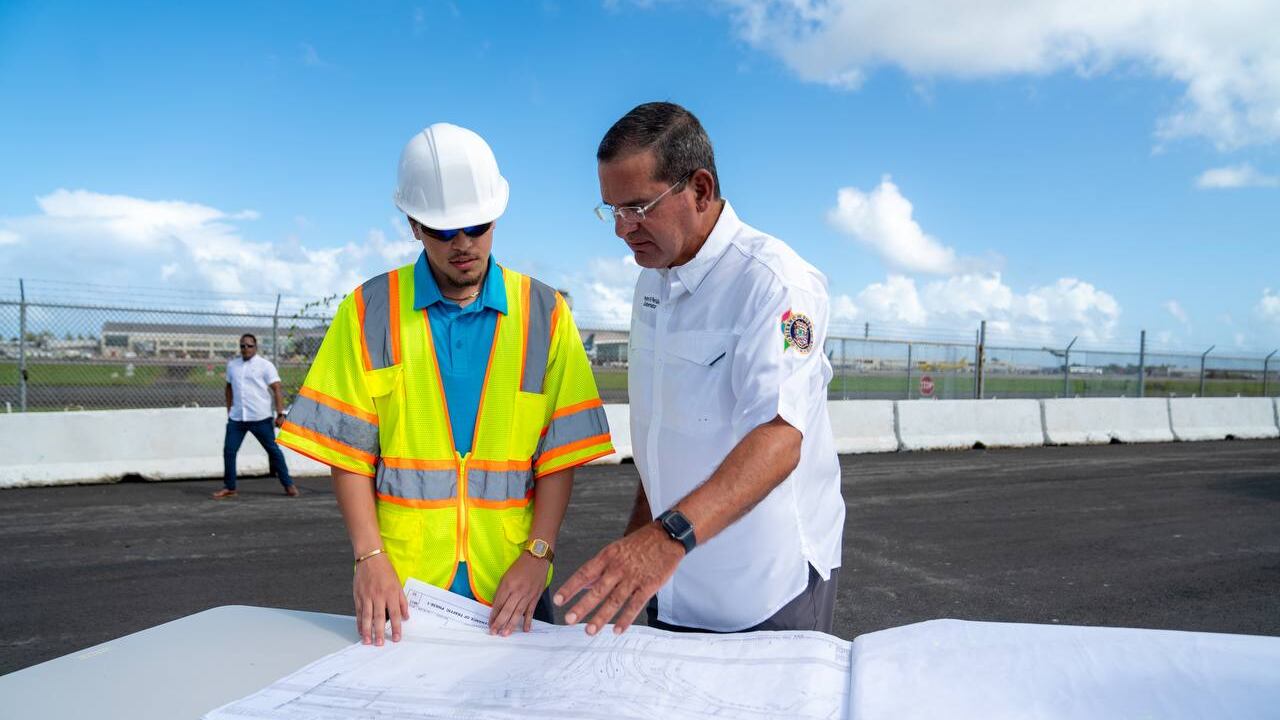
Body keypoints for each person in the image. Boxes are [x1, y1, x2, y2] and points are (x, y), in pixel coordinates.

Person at [278, 123, 612, 646]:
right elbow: (348, 454)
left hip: (512, 581)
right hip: (402, 587)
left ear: (497, 215)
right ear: (413, 225)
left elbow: (559, 455)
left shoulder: (546, 314)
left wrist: (538, 553)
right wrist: (369, 556)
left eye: (477, 226)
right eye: (442, 231)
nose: (463, 245)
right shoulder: (368, 311)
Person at [555, 102, 844, 635]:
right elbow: (667, 435)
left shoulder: (775, 283)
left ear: (701, 189)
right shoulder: (653, 279)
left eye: (637, 208)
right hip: (672, 578)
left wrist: (661, 541)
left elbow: (779, 437)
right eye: (611, 210)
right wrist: (636, 547)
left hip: (763, 587)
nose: (621, 230)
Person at [213, 333, 297, 499]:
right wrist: (229, 411)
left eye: (249, 345)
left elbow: (277, 389)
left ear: (255, 347)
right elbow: (228, 388)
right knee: (229, 451)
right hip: (237, 418)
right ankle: (230, 487)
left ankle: (288, 484)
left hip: (260, 417)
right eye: (243, 346)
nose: (246, 349)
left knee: (273, 451)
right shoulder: (232, 366)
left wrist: (281, 413)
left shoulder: (265, 365)